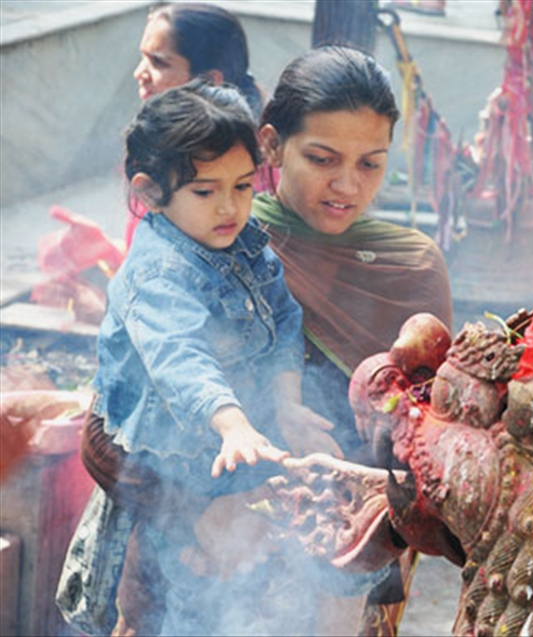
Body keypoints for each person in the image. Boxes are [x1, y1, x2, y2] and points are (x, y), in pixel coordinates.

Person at [57, 80, 342, 637]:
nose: (231, 206)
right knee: (177, 597)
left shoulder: (244, 244)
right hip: (163, 460)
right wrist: (232, 423)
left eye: (243, 185)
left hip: (227, 451)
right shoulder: (158, 271)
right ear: (150, 192)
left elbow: (284, 321)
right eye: (206, 191)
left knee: (233, 584)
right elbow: (179, 357)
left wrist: (287, 403)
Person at [252, 45, 454, 633]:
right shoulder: (230, 243)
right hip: (227, 522)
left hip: (355, 542)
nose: (347, 185)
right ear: (272, 145)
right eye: (322, 158)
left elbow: (427, 428)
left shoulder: (411, 265)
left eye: (371, 164)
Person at [126, 2, 265, 249]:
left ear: (208, 80)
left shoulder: (240, 158)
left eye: (159, 63)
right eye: (143, 57)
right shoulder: (162, 137)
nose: (139, 73)